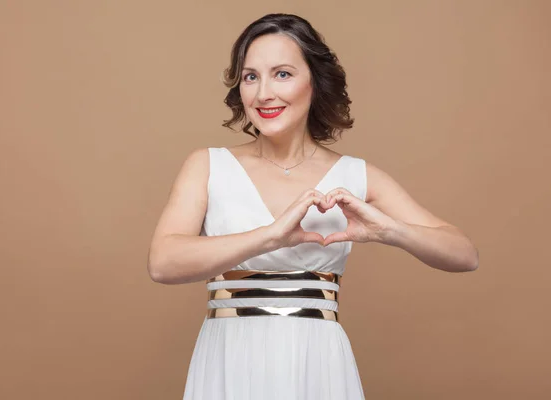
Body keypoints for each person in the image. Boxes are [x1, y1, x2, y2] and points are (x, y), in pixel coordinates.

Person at [147, 13, 479, 400]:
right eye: (251, 76)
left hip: (317, 361)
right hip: (229, 354)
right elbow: (163, 262)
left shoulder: (354, 175)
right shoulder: (208, 165)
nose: (263, 93)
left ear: (315, 83)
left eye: (282, 74)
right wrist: (269, 237)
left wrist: (389, 230)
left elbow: (464, 254)